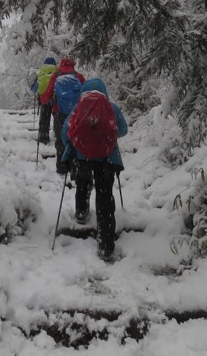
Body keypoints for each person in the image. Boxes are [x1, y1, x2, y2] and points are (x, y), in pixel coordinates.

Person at [61, 78, 128, 261]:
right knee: (105, 196)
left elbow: (66, 129)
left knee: (83, 182)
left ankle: (81, 213)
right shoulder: (111, 108)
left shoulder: (78, 107)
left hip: (83, 156)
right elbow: (123, 130)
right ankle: (106, 245)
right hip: (108, 158)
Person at [40, 56, 86, 174]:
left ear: (61, 64)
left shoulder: (56, 76)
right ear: (73, 64)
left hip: (59, 112)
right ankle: (75, 167)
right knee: (75, 139)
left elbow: (47, 94)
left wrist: (44, 100)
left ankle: (62, 167)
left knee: (60, 140)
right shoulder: (78, 77)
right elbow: (86, 92)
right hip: (75, 113)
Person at [35, 57, 57, 144]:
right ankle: (57, 134)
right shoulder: (57, 72)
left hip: (43, 98)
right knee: (57, 117)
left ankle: (43, 137)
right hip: (54, 98)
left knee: (44, 117)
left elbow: (34, 87)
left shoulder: (40, 72)